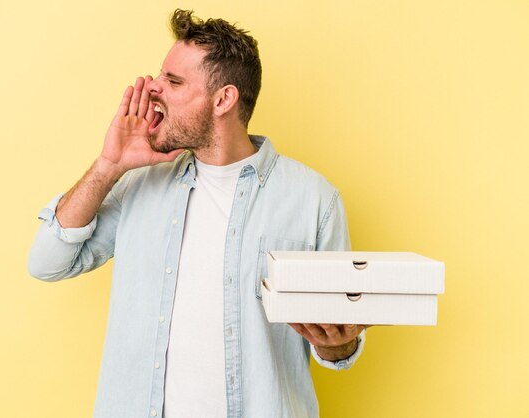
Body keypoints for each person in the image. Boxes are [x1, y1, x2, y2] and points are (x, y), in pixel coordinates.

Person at [28, 9, 367, 418]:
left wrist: (337, 345)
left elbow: (341, 346)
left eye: (173, 81)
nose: (153, 89)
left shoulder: (314, 199)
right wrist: (109, 164)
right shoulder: (139, 185)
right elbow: (47, 262)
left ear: (223, 99)